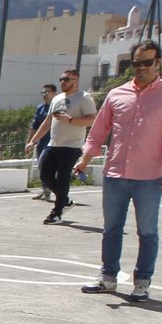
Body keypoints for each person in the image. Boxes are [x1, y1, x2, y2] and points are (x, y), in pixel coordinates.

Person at [77, 41, 162, 303]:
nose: (141, 68)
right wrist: (85, 159)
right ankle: (108, 279)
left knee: (147, 231)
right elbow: (99, 130)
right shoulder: (117, 94)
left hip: (149, 176)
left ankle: (142, 282)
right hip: (115, 173)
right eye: (136, 63)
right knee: (111, 229)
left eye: (147, 62)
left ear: (158, 63)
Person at [26, 69, 96, 224]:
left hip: (71, 146)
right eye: (61, 79)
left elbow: (92, 119)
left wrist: (71, 120)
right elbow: (47, 122)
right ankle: (65, 200)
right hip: (53, 144)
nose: (63, 82)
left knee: (63, 178)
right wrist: (33, 140)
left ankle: (56, 213)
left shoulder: (84, 98)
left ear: (76, 80)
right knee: (45, 175)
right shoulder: (57, 98)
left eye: (67, 79)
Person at [30, 83, 56, 201]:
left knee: (49, 167)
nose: (45, 95)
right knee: (41, 166)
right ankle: (44, 189)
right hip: (42, 141)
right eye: (43, 93)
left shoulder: (58, 107)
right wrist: (30, 141)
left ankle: (51, 190)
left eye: (47, 92)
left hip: (54, 142)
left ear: (54, 93)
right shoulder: (40, 107)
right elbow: (35, 125)